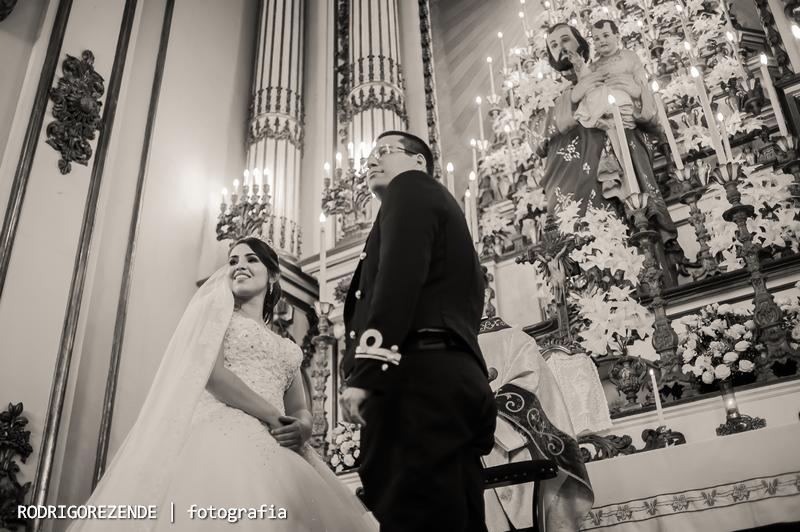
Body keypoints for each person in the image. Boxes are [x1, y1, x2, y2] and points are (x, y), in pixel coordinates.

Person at [68, 237, 374, 531]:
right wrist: (270, 416)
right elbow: (214, 377)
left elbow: (298, 406)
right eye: (233, 261)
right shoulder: (216, 316)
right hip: (223, 432)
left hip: (280, 443)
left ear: (273, 276)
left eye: (251, 259)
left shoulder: (287, 345)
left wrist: (304, 426)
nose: (239, 265)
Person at [339, 131, 497, 532]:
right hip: (446, 378)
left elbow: (397, 282)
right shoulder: (436, 207)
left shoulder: (410, 188)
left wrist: (367, 372)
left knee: (413, 516)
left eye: (384, 152)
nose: (371, 161)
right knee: (453, 515)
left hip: (416, 383)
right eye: (369, 155)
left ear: (418, 162)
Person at [540, 21, 684, 284]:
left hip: (619, 163)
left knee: (633, 231)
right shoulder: (546, 95)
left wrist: (631, 92)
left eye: (565, 40)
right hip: (570, 183)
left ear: (581, 43)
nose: (560, 48)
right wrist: (573, 97)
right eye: (553, 45)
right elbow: (534, 136)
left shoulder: (608, 69)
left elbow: (649, 116)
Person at [478, 315, 594, 532]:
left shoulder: (510, 338)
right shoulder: (436, 350)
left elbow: (529, 385)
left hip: (512, 453)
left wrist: (481, 413)